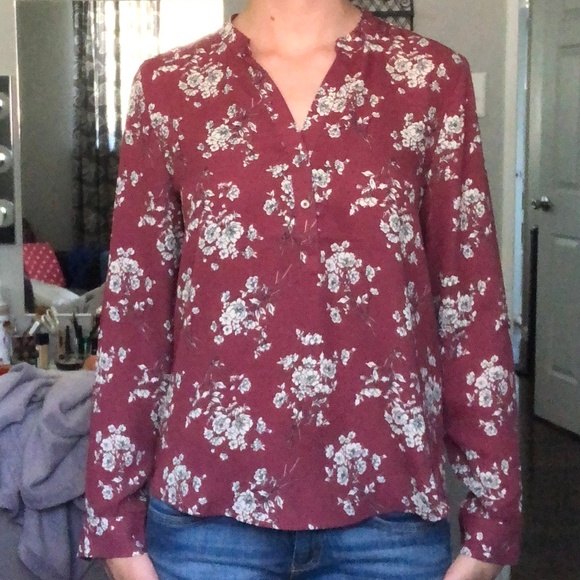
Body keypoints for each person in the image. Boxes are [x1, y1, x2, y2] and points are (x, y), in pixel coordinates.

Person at [80, 1, 522, 578]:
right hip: (207, 520)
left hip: (390, 518)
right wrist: (113, 523)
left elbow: (470, 303)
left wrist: (492, 526)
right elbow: (136, 312)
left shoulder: (429, 79)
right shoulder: (170, 88)